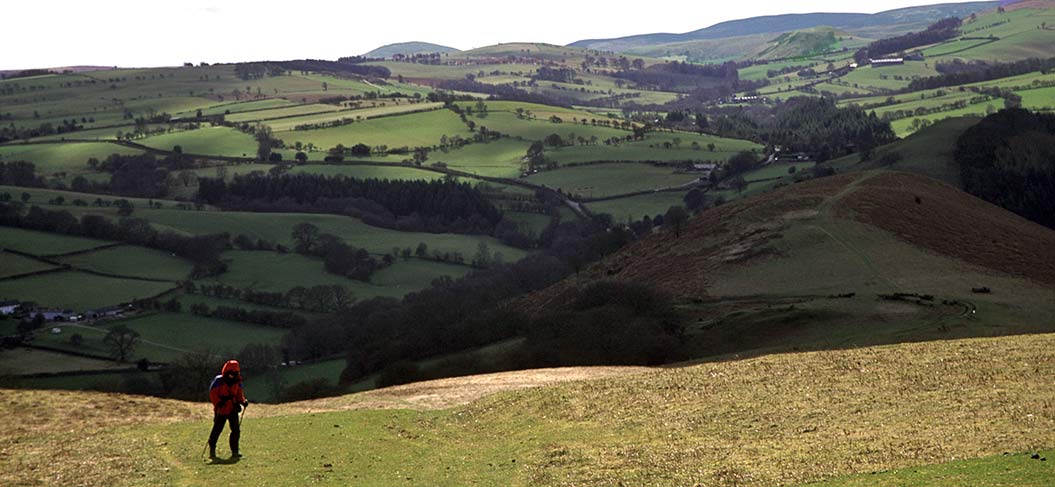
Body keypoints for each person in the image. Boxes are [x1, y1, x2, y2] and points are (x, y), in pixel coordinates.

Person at [207, 359, 248, 459]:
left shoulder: (237, 381)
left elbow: (239, 394)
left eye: (234, 373)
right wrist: (218, 402)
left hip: (232, 408)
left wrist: (243, 401)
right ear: (226, 372)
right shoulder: (218, 380)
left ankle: (235, 451)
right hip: (221, 409)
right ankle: (212, 449)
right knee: (217, 430)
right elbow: (213, 394)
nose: (232, 375)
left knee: (236, 430)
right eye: (231, 373)